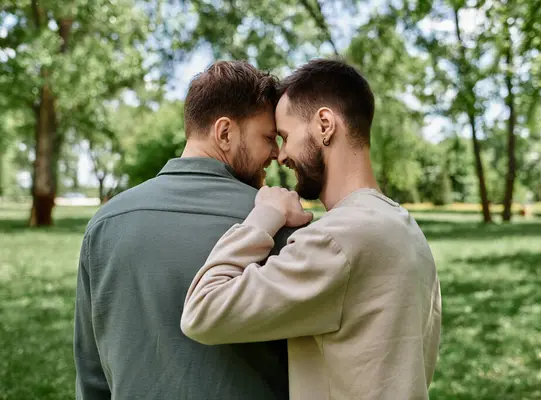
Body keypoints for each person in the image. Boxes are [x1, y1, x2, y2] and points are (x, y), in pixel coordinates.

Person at [181, 59, 442, 399]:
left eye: (286, 137)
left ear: (324, 125)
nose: (281, 155)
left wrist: (263, 217)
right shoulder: (404, 227)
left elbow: (203, 311)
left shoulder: (338, 239)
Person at [74, 61, 294, 399]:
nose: (277, 154)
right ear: (224, 132)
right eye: (268, 138)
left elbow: (92, 376)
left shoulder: (105, 224)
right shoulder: (281, 226)